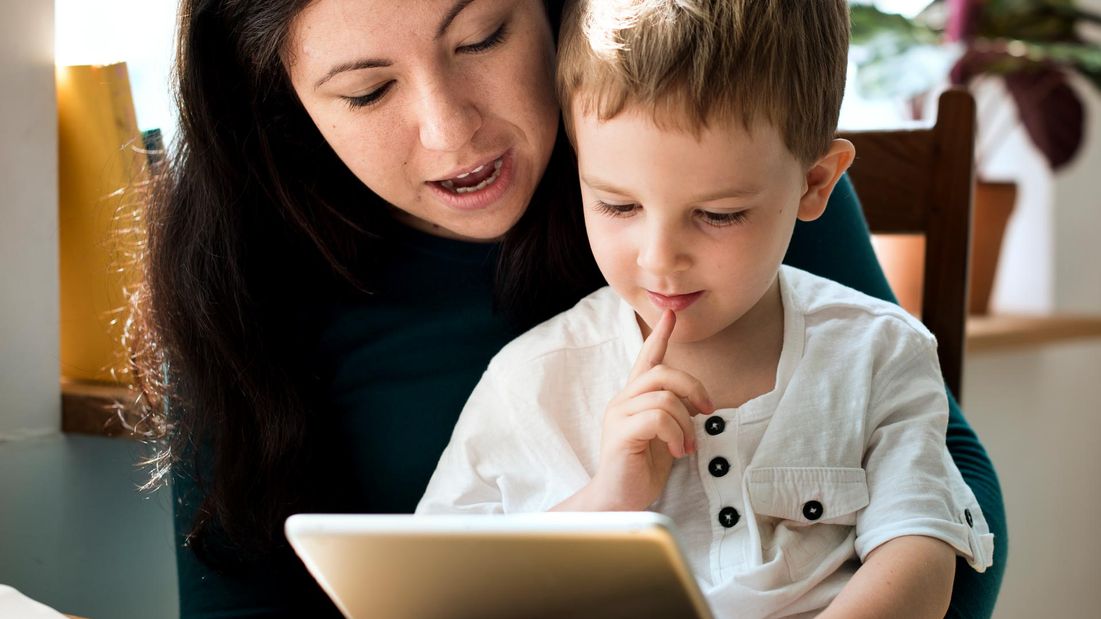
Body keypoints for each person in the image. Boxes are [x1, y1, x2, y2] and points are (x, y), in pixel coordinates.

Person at [132, 0, 1004, 617]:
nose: (451, 130)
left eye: (480, 36)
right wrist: (609, 496)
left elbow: (936, 470)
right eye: (367, 91)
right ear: (276, 100)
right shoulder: (241, 275)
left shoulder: (713, 141)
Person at [416, 0, 995, 616]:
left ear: (817, 183)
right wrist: (609, 500)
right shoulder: (532, 383)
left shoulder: (877, 352)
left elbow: (923, 550)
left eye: (719, 215)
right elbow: (441, 589)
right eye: (617, 205)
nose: (660, 259)